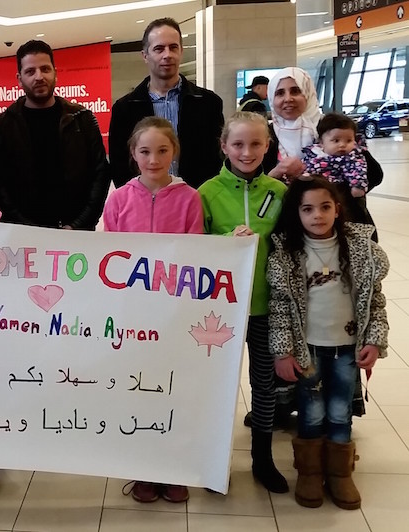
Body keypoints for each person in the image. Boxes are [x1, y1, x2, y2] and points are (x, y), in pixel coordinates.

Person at [267, 178, 388, 510]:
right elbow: (279, 308)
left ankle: (339, 473)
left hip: (347, 349)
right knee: (311, 410)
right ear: (297, 213)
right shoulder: (287, 257)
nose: (317, 216)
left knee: (339, 410)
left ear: (338, 209)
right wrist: (282, 351)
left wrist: (375, 342)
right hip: (309, 350)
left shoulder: (361, 251)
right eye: (308, 209)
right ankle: (309, 471)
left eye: (325, 207)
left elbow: (374, 302)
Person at [103, 117, 202, 503]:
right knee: (138, 389)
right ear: (132, 155)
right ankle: (144, 467)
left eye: (163, 150)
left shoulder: (190, 198)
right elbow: (108, 257)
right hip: (133, 315)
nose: (154, 158)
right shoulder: (119, 199)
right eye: (145, 151)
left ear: (174, 152)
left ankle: (175, 466)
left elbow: (196, 255)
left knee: (175, 389)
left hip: (174, 314)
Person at [198, 112, 289, 494]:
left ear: (267, 146)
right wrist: (226, 244)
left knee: (264, 385)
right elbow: (195, 253)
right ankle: (212, 459)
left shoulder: (281, 193)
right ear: (223, 146)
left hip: (266, 306)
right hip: (221, 312)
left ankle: (262, 458)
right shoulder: (206, 193)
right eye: (238, 144)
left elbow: (289, 249)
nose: (247, 151)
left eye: (255, 144)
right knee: (216, 386)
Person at [0, 39, 109, 229]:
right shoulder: (3, 125)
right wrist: (26, 227)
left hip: (77, 232)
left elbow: (100, 175)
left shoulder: (82, 119)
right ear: (19, 79)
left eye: (45, 69)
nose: (39, 77)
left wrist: (79, 224)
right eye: (30, 71)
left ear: (55, 73)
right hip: (23, 234)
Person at [109, 18, 224, 188]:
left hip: (197, 201)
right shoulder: (125, 108)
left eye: (173, 47)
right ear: (145, 55)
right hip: (145, 204)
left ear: (181, 51)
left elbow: (216, 159)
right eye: (159, 49)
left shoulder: (208, 103)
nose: (167, 55)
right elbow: (119, 165)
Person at [302, 112, 375, 228]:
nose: (342, 145)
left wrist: (358, 186)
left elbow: (358, 171)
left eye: (348, 140)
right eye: (336, 141)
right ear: (321, 142)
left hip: (343, 202)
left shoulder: (352, 156)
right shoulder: (312, 153)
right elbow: (305, 167)